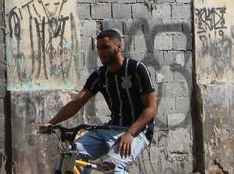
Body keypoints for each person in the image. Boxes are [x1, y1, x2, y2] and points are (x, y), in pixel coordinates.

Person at [38, 29, 159, 172]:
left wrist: (130, 133)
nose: (101, 52)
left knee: (112, 166)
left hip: (138, 131)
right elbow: (76, 103)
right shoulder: (100, 75)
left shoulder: (136, 69)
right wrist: (52, 122)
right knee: (72, 155)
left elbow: (151, 108)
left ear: (119, 47)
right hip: (110, 128)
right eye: (99, 48)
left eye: (106, 47)